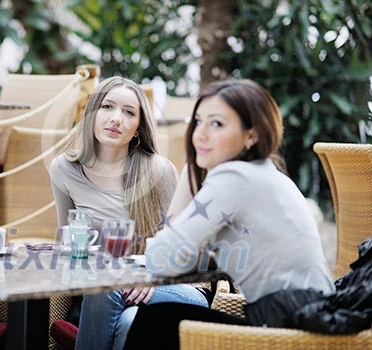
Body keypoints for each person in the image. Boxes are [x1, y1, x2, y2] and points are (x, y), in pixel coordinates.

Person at [122, 79, 335, 349]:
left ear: (252, 134)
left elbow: (162, 257)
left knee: (153, 321)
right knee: (160, 317)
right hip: (309, 320)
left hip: (287, 327)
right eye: (198, 121)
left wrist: (191, 170)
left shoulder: (234, 176)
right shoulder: (266, 173)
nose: (200, 134)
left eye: (217, 124)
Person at [50, 76, 209, 350]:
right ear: (91, 114)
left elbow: (183, 249)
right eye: (107, 107)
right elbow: (67, 243)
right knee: (127, 320)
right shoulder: (64, 169)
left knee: (108, 286)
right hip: (102, 290)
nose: (116, 119)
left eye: (128, 112)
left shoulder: (158, 170)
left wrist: (148, 274)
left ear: (137, 129)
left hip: (174, 286)